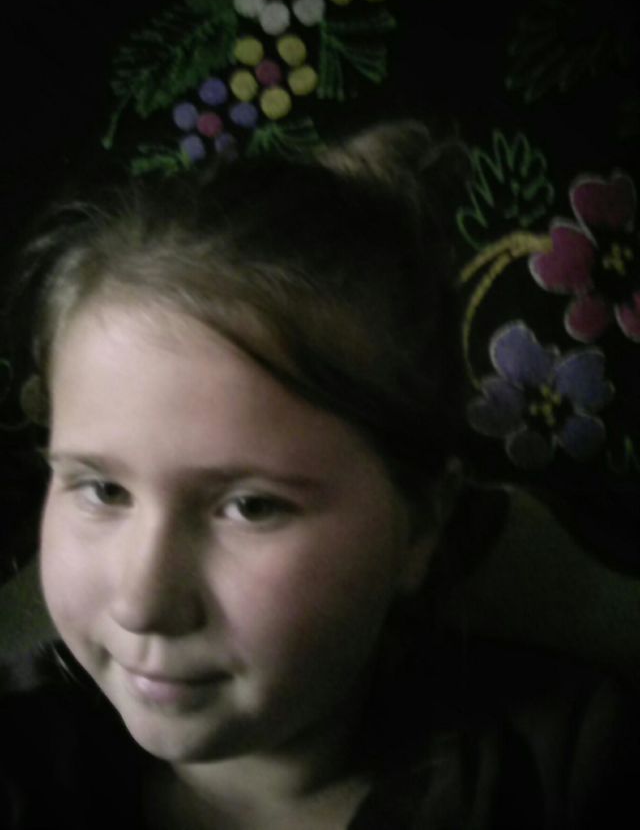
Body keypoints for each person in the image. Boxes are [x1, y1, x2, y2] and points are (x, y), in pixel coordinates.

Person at [0, 121, 637, 830]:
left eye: (251, 506)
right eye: (102, 490)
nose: (143, 602)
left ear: (420, 525)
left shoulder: (571, 770)